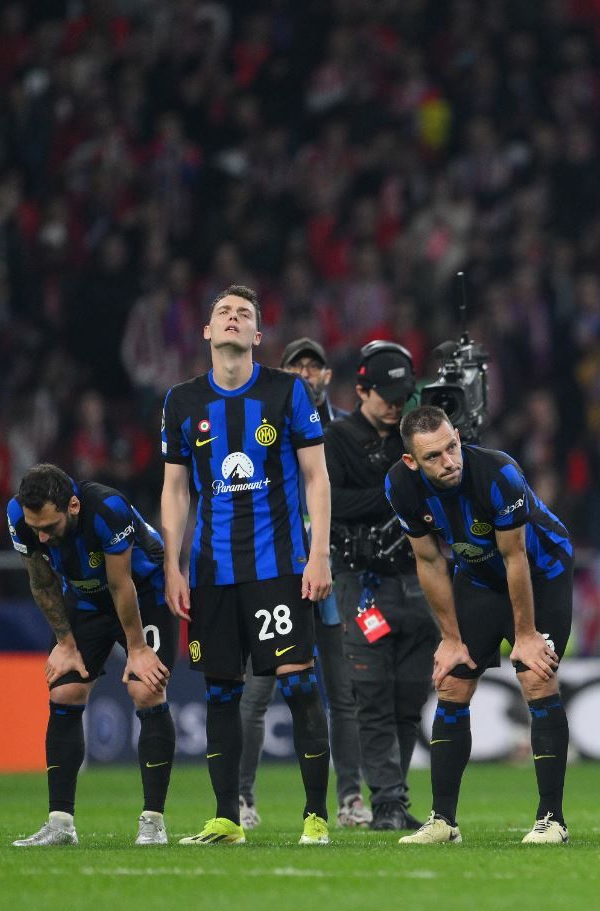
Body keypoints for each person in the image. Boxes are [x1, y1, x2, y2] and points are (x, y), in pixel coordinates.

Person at [159, 285, 335, 846]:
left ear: (257, 336)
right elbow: (175, 490)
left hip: (278, 567)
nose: (232, 318)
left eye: (243, 314)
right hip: (212, 573)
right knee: (220, 693)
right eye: (223, 312)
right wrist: (173, 565)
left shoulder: (287, 391)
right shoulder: (181, 401)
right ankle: (227, 818)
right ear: (207, 331)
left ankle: (315, 817)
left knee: (299, 685)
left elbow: (317, 477)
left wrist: (318, 553)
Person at [386, 406, 574, 845]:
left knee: (536, 677)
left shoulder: (498, 474)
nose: (449, 461)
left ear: (457, 435)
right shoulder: (399, 485)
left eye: (452, 447)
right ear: (411, 461)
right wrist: (451, 639)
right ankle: (442, 822)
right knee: (452, 682)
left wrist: (525, 636)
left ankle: (552, 820)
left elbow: (515, 556)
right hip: (477, 578)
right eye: (433, 457)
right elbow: (429, 560)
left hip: (541, 573)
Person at [7, 464, 176, 846]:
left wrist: (137, 649)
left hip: (143, 593)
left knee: (146, 689)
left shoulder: (107, 508)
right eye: (36, 528)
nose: (42, 536)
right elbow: (41, 582)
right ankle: (60, 824)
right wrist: (65, 643)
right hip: (85, 600)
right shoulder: (19, 515)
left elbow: (121, 583)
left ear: (73, 506)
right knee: (64, 691)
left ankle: (153, 822)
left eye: (50, 526)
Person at [237, 338, 368, 830]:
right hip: (276, 572)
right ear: (284, 374)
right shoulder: (262, 428)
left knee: (342, 693)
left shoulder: (347, 432)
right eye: (297, 367)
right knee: (256, 694)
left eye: (314, 366)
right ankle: (242, 798)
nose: (306, 374)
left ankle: (350, 798)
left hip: (331, 572)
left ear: (327, 376)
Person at [330, 341, 438, 830]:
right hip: (362, 585)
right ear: (361, 390)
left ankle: (394, 798)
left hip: (418, 582)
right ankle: (388, 801)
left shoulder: (415, 437)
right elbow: (330, 504)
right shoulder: (336, 439)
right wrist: (395, 493)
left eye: (403, 397)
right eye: (387, 397)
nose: (397, 406)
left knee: (409, 697)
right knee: (372, 692)